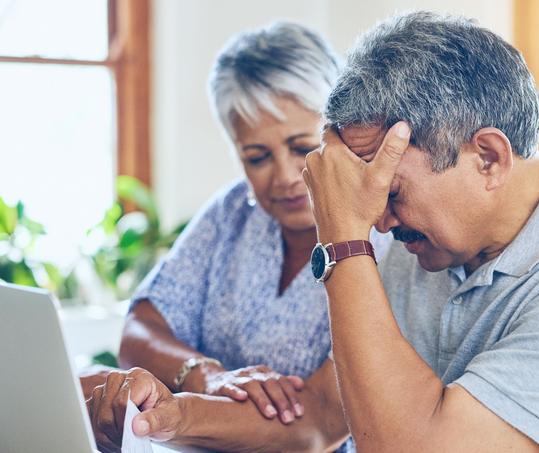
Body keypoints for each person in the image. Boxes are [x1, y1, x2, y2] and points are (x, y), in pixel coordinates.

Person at [87, 11, 539, 452]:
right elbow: (323, 418)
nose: (378, 220)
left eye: (390, 192)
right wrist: (168, 419)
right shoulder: (431, 245)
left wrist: (343, 243)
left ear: (487, 158)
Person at [81, 21, 388, 452]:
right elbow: (139, 332)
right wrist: (208, 376)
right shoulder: (232, 212)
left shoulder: (384, 232)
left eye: (301, 147)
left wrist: (181, 411)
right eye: (257, 157)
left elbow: (318, 422)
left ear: (340, 131)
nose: (284, 176)